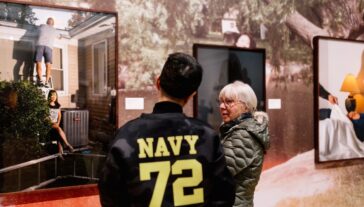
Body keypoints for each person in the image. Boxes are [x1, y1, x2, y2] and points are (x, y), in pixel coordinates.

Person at [98, 53, 235, 207]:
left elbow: (110, 197)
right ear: (192, 94)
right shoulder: (208, 136)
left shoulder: (126, 136)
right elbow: (224, 196)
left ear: (158, 82)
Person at [218, 81, 270, 207]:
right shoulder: (235, 129)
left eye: (229, 102)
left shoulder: (244, 135)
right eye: (221, 101)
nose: (222, 106)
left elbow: (218, 173)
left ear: (246, 107)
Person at [34, 17, 60, 87]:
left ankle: (41, 80)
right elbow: (60, 37)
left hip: (40, 45)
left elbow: (35, 31)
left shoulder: (42, 26)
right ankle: (46, 81)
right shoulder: (55, 30)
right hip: (48, 47)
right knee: (48, 65)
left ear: (47, 22)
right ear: (53, 24)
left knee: (38, 62)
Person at [48, 90, 73, 155]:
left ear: (56, 96)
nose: (53, 97)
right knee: (59, 129)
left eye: (55, 95)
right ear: (49, 96)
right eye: (52, 95)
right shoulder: (46, 105)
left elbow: (59, 115)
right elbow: (45, 116)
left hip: (56, 124)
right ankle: (67, 144)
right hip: (48, 124)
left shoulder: (58, 105)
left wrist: (58, 122)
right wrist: (51, 122)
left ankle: (60, 152)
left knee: (58, 132)